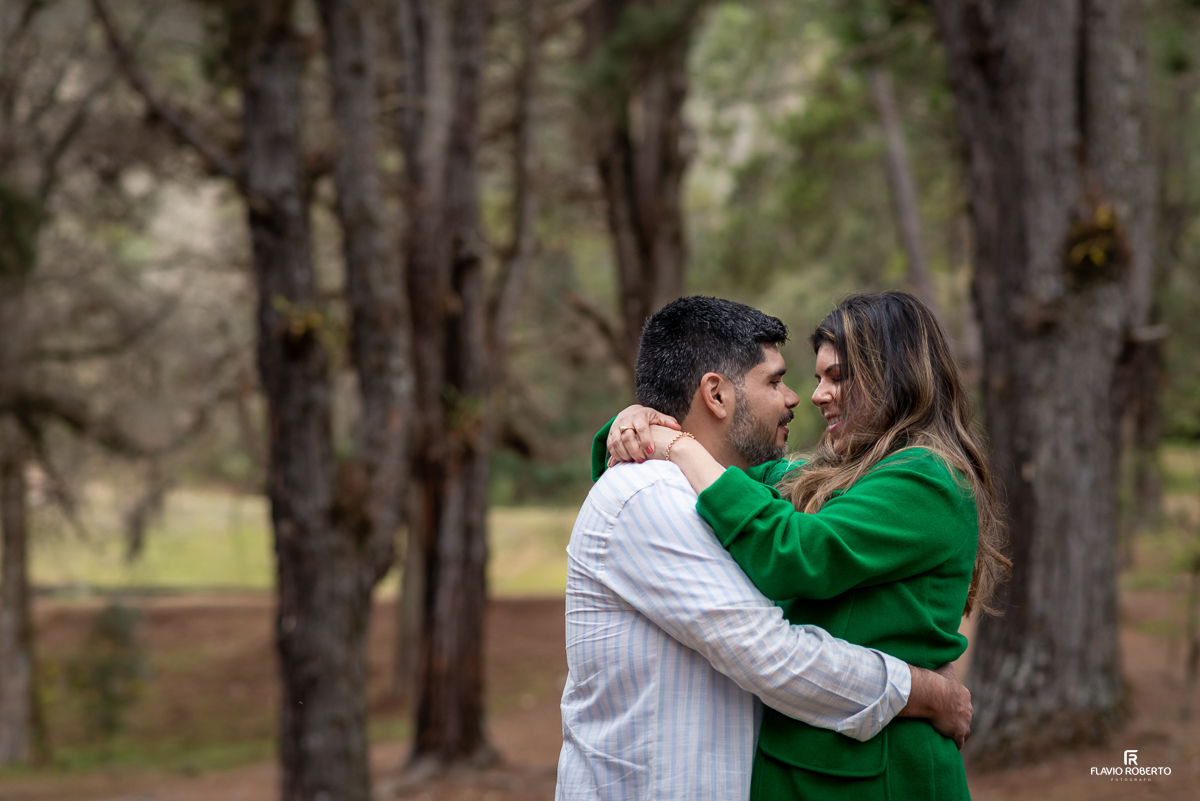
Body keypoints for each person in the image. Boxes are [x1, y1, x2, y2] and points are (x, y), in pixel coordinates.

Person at [557, 295, 973, 801]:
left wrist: (676, 443)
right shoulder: (825, 478)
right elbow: (727, 483)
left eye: (837, 376)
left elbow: (794, 551)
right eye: (781, 381)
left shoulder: (924, 478)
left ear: (894, 377)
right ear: (715, 394)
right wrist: (636, 428)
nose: (812, 396)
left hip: (879, 774)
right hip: (812, 769)